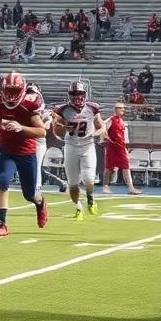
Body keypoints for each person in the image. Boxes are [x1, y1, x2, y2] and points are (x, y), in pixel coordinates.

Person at [0, 72, 49, 237]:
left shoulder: (29, 105)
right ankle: (2, 224)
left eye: (15, 90)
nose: (11, 95)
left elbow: (42, 132)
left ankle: (40, 203)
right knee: (3, 182)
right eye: (8, 90)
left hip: (26, 153)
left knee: (29, 194)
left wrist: (22, 128)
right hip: (6, 151)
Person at [53, 81, 103, 220]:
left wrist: (96, 133)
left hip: (87, 145)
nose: (76, 97)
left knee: (88, 178)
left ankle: (90, 199)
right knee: (73, 182)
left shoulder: (92, 108)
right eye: (74, 94)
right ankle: (78, 208)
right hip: (71, 146)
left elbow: (101, 126)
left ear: (84, 94)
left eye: (79, 94)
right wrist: (60, 127)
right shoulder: (63, 110)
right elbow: (58, 132)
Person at [101, 102, 141, 194]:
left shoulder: (122, 122)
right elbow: (102, 130)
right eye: (121, 108)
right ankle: (105, 186)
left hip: (121, 148)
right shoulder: (110, 120)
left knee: (126, 167)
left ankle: (131, 188)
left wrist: (125, 148)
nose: (123, 110)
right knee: (108, 168)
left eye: (123, 108)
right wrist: (108, 139)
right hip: (112, 148)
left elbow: (124, 137)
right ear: (116, 109)